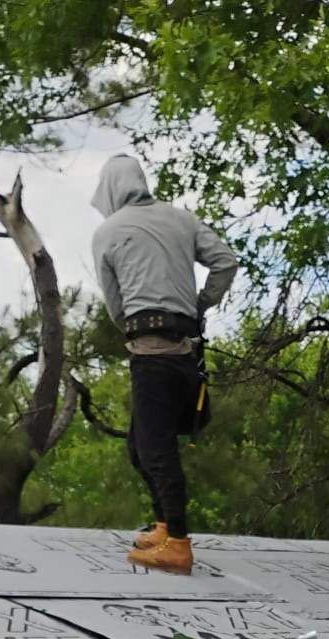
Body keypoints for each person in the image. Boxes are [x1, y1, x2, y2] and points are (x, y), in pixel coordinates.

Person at [91, 154, 239, 576]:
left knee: (156, 451)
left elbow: (115, 305)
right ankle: (162, 525)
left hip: (150, 356)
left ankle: (177, 544)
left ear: (109, 190)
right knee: (139, 447)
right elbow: (226, 262)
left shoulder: (107, 232)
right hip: (186, 353)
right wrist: (198, 305)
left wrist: (134, 330)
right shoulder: (183, 219)